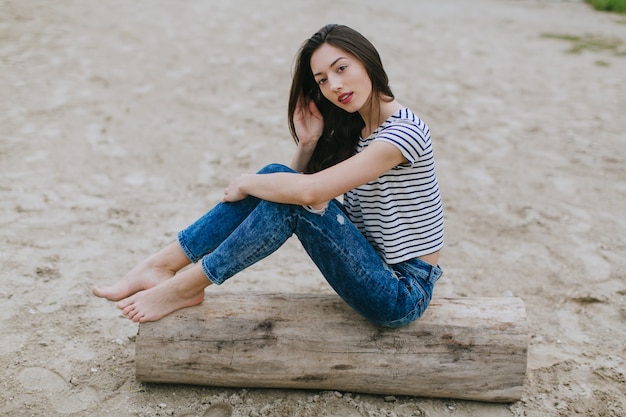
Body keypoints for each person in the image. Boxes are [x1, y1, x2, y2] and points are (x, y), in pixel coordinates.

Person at [93, 24, 444, 328]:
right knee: (279, 178)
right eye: (322, 80)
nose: (334, 86)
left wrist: (247, 182)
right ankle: (161, 265)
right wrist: (308, 144)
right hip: (372, 265)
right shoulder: (359, 128)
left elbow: (308, 193)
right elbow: (297, 185)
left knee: (286, 195)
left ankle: (185, 285)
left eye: (341, 68)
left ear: (367, 61)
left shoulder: (403, 134)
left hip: (402, 292)